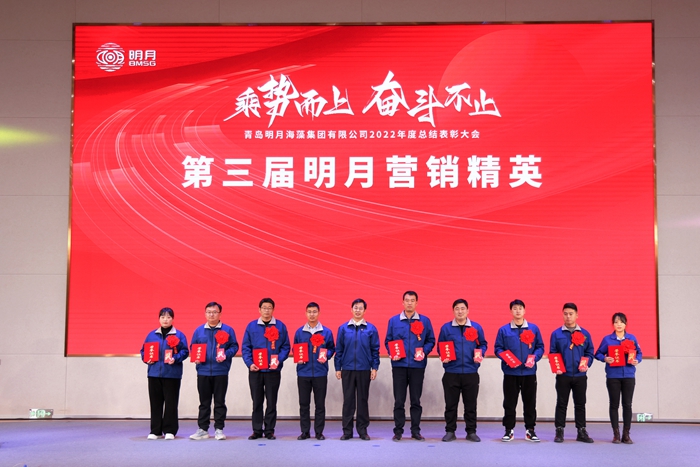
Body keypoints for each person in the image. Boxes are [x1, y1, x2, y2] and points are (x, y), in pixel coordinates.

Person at [384, 290, 435, 441]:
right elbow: (388, 341)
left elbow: (431, 340)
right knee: (399, 400)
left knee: (415, 400)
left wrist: (424, 351)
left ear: (417, 303)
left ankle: (415, 431)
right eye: (407, 300)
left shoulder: (425, 321)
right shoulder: (394, 321)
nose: (409, 303)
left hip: (417, 366)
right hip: (399, 366)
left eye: (412, 300)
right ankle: (398, 431)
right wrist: (392, 352)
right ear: (402, 302)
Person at [494, 299, 545, 442]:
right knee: (509, 403)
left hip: (529, 373)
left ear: (524, 310)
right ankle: (508, 430)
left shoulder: (533, 328)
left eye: (520, 308)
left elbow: (540, 347)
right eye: (515, 308)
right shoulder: (504, 330)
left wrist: (534, 357)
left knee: (530, 402)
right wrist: (507, 359)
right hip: (510, 373)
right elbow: (498, 348)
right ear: (511, 311)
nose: (518, 311)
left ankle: (530, 430)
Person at [437, 299, 487, 442]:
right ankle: (450, 431)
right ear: (453, 311)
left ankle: (471, 431)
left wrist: (480, 354)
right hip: (451, 372)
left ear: (468, 310)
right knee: (450, 404)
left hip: (470, 372)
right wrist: (443, 355)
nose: (460, 311)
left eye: (463, 308)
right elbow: (440, 346)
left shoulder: (476, 327)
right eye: (457, 309)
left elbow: (483, 344)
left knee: (470, 405)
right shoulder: (446, 328)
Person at [189, 302, 239, 440]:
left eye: (214, 312)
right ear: (205, 314)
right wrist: (196, 357)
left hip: (220, 371)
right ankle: (203, 429)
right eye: (209, 312)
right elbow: (193, 347)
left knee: (219, 402)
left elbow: (234, 347)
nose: (211, 314)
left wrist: (225, 355)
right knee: (204, 402)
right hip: (203, 371)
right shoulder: (199, 330)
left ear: (220, 314)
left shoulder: (228, 330)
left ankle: (219, 429)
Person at [242, 298, 290, 440]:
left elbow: (286, 346)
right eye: (264, 308)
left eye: (269, 308)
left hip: (273, 371)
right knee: (257, 401)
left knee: (271, 401)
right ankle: (257, 430)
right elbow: (246, 347)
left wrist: (278, 360)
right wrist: (250, 363)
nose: (266, 310)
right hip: (255, 370)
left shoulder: (280, 326)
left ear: (273, 310)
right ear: (259, 309)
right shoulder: (251, 326)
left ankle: (269, 430)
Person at [334, 298, 380, 441]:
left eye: (360, 308)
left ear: (365, 311)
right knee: (348, 400)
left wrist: (374, 367)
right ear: (351, 309)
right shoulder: (343, 328)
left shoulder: (371, 329)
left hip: (364, 369)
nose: (358, 310)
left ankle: (362, 430)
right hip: (347, 368)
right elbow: (339, 349)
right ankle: (347, 431)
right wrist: (338, 368)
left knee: (362, 400)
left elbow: (375, 350)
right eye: (355, 308)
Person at [141, 307, 189, 440]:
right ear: (159, 319)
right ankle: (155, 430)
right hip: (154, 373)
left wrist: (175, 358)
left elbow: (185, 351)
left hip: (172, 374)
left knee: (171, 403)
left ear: (173, 319)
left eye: (168, 317)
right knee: (155, 402)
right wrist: (146, 359)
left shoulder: (179, 335)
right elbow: (143, 351)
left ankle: (170, 430)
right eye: (162, 317)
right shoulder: (151, 335)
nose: (165, 320)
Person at [550, 302, 595, 443]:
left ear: (577, 315)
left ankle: (581, 431)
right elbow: (553, 352)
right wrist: (556, 367)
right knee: (561, 403)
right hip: (563, 375)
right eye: (565, 314)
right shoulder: (556, 334)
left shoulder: (585, 333)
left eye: (571, 314)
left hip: (580, 375)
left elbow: (590, 352)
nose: (568, 316)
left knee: (580, 404)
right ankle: (559, 431)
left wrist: (587, 364)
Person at [595, 313, 642, 444]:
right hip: (613, 376)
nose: (619, 324)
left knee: (627, 404)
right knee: (614, 404)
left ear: (626, 324)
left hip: (629, 375)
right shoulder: (607, 339)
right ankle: (616, 434)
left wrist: (637, 360)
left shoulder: (632, 338)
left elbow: (639, 353)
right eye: (616, 322)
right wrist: (605, 358)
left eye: (621, 322)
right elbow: (598, 353)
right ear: (613, 324)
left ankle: (626, 434)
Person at [293, 302, 335, 440]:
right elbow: (295, 348)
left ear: (319, 313)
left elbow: (332, 348)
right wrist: (298, 357)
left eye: (314, 311)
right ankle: (305, 432)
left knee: (320, 405)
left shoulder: (326, 332)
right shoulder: (299, 332)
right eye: (309, 312)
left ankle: (319, 432)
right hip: (303, 373)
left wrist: (326, 355)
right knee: (304, 404)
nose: (312, 314)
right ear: (306, 313)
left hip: (320, 373)